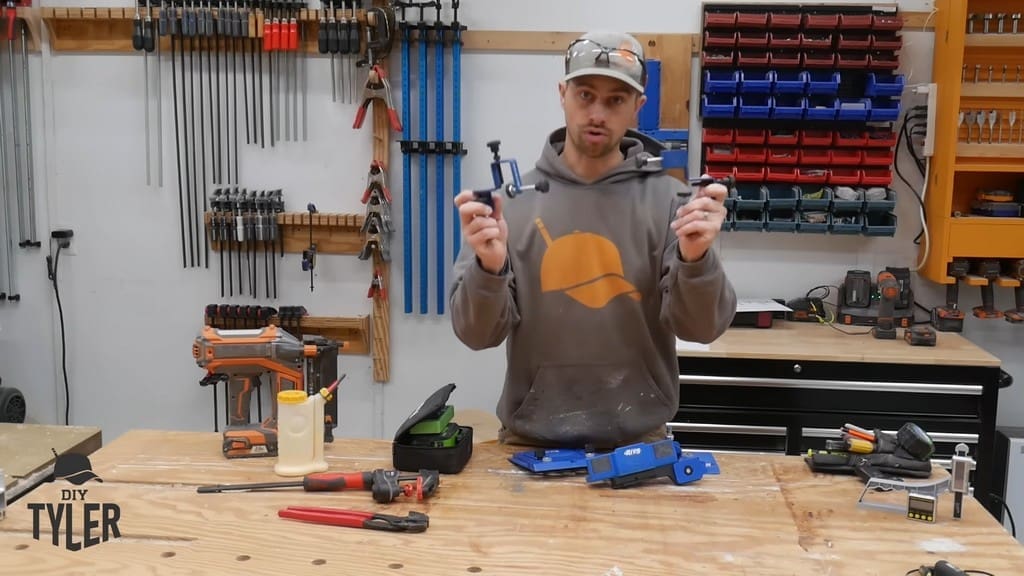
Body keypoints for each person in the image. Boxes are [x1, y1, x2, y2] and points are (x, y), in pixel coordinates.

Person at [449, 31, 737, 450]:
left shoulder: (674, 206)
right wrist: (489, 270)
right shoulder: (508, 208)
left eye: (616, 100)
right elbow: (476, 335)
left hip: (639, 443)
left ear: (638, 106)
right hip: (532, 444)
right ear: (562, 94)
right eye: (585, 95)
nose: (598, 113)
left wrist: (695, 261)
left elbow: (702, 328)